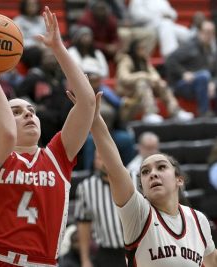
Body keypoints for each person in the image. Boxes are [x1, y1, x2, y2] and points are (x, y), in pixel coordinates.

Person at [0, 6, 96, 267]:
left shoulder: (58, 155)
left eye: (31, 111)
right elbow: (7, 134)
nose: (27, 114)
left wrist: (58, 48)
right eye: (16, 111)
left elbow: (88, 103)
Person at [80, 90, 217, 266]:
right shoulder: (138, 214)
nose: (152, 173)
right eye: (145, 172)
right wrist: (96, 121)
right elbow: (115, 168)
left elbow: (212, 261)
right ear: (142, 187)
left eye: (161, 167)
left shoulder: (198, 220)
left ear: (179, 180)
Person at [117, 39, 194, 123]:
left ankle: (175, 111)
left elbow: (154, 74)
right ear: (135, 49)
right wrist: (143, 75)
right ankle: (150, 113)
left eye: (144, 48)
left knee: (162, 84)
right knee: (142, 82)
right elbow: (124, 78)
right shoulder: (126, 60)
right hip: (129, 91)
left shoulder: (144, 60)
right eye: (141, 48)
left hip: (144, 89)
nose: (143, 50)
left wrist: (156, 80)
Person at [74, 151, 126, 267]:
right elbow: (84, 224)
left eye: (108, 156)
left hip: (137, 249)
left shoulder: (135, 178)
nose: (105, 162)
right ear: (94, 162)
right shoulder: (86, 187)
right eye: (99, 158)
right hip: (107, 254)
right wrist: (85, 259)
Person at [165, 20, 217, 117]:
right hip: (182, 85)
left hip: (201, 84)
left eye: (212, 32)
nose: (209, 35)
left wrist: (212, 83)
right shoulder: (189, 46)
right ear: (199, 32)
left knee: (206, 78)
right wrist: (183, 73)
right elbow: (170, 60)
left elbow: (214, 72)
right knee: (204, 76)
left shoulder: (211, 50)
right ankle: (204, 113)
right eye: (207, 32)